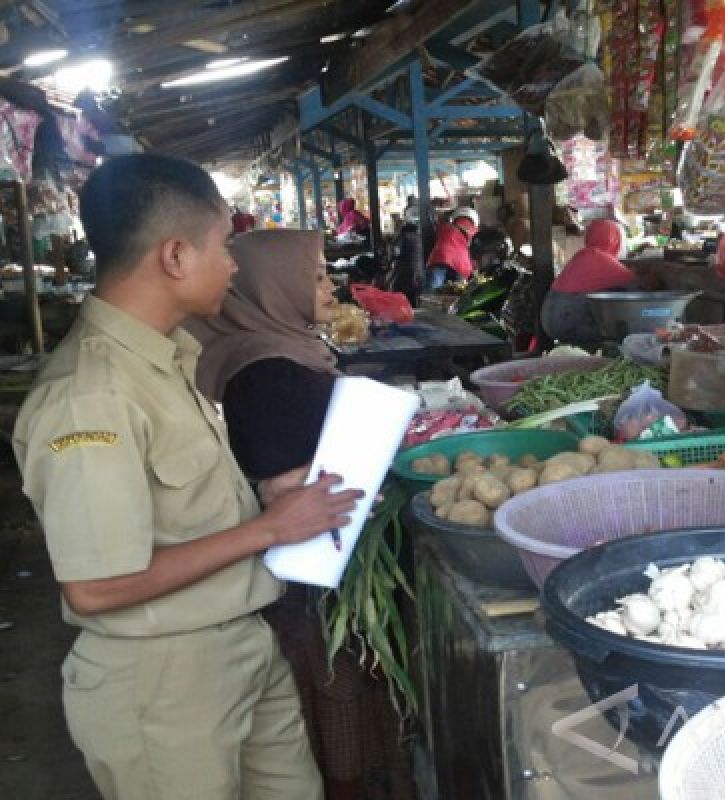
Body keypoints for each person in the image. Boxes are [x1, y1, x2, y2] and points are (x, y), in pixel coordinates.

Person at [12, 154, 362, 800]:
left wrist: (260, 503)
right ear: (175, 256)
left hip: (240, 645)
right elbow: (95, 587)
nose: (233, 265)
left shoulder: (170, 358)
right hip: (163, 680)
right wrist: (268, 528)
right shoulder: (92, 396)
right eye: (224, 247)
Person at [189, 229, 405, 800]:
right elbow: (284, 486)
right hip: (311, 578)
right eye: (312, 275)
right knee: (336, 691)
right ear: (271, 288)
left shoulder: (284, 347)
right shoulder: (267, 371)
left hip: (320, 562)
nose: (328, 284)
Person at [540, 219, 635, 344]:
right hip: (567, 326)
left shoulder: (582, 255)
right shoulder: (602, 259)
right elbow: (634, 285)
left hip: (547, 323)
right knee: (625, 331)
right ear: (614, 240)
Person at [425, 207, 479, 289]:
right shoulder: (474, 231)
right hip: (461, 266)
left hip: (439, 259)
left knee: (431, 295)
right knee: (459, 296)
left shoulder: (444, 227)